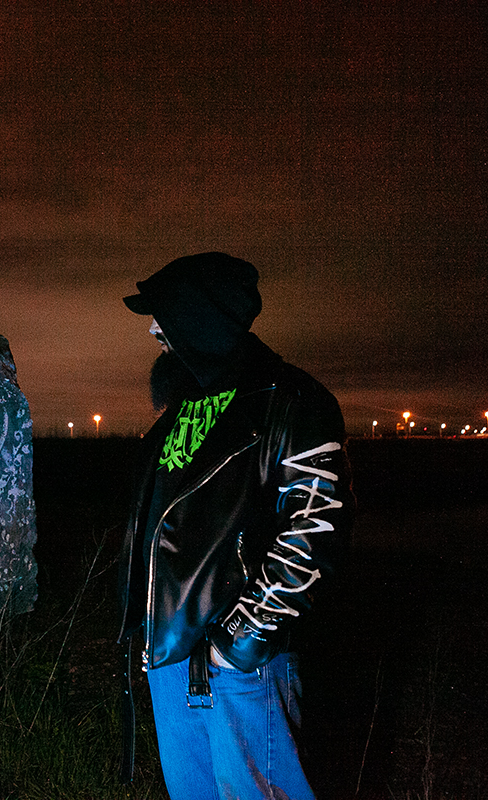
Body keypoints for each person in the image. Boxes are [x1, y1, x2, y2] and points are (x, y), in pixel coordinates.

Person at [118, 252, 354, 800]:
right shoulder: (179, 412)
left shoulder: (290, 401)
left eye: (164, 316)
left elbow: (315, 527)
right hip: (169, 659)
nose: (153, 330)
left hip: (240, 667)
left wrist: (240, 641)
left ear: (200, 317)